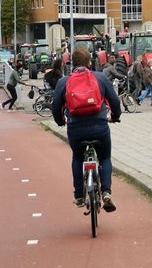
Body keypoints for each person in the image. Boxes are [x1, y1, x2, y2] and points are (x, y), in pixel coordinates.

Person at [51, 48, 121, 210]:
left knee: (77, 157)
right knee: (104, 157)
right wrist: (115, 117)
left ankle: (79, 195)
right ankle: (106, 192)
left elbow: (56, 107)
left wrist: (61, 122)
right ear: (90, 63)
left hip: (76, 129)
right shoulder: (101, 78)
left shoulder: (64, 82)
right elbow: (114, 102)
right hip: (100, 127)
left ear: (72, 63)